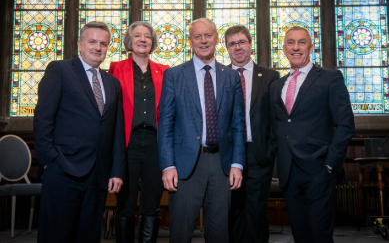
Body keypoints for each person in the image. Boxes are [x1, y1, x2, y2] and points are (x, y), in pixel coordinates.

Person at [34, 21, 125, 243]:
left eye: (103, 43)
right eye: (92, 41)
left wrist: (116, 170)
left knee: (88, 236)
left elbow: (116, 131)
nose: (98, 47)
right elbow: (43, 118)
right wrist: (50, 160)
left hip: (98, 175)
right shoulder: (60, 70)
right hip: (63, 169)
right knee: (57, 235)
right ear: (79, 44)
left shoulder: (112, 83)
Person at [158, 18, 246, 242]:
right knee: (181, 231)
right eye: (198, 36)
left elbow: (237, 125)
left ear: (217, 39)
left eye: (208, 35)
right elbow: (166, 124)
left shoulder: (231, 76)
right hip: (185, 164)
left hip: (221, 164)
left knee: (219, 233)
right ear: (190, 41)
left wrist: (237, 164)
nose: (203, 40)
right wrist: (168, 165)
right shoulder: (174, 75)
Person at [270, 26, 355, 243]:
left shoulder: (330, 78)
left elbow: (345, 124)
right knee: (300, 235)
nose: (295, 47)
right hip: (288, 172)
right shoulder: (277, 85)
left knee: (320, 235)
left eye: (301, 42)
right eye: (290, 42)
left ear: (310, 46)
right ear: (284, 48)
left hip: (319, 168)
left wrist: (330, 165)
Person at [108, 21, 169, 243]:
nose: (142, 39)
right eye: (137, 36)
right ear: (130, 41)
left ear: (152, 42)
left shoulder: (165, 71)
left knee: (151, 205)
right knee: (125, 204)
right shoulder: (116, 68)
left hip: (155, 144)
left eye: (147, 36)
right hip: (128, 143)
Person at [225, 25, 279, 243]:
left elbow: (277, 118)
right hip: (228, 156)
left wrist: (271, 148)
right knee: (233, 210)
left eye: (242, 42)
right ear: (227, 48)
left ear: (250, 44)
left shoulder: (270, 76)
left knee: (256, 211)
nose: (238, 47)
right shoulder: (221, 76)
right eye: (232, 43)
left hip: (259, 154)